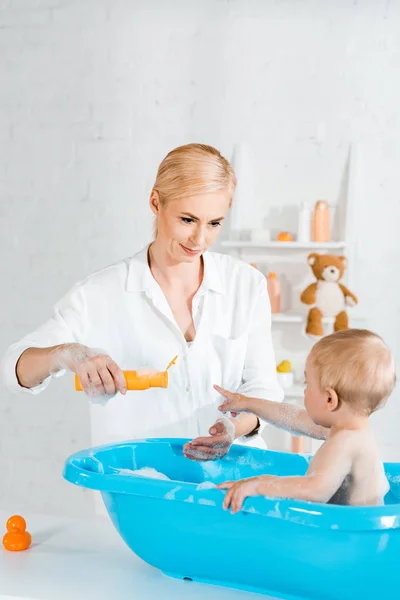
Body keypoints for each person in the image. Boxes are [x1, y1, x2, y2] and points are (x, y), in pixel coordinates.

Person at [1, 143, 283, 461]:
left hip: (234, 483)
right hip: (141, 485)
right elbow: (13, 370)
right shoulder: (100, 294)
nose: (200, 239)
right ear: (155, 202)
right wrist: (69, 354)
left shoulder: (245, 285)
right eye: (188, 220)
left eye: (214, 223)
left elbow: (263, 389)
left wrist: (233, 427)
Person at [215, 329, 396, 512]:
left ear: (329, 400)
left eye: (307, 383)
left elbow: (315, 489)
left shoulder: (346, 441)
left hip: (351, 533)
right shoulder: (346, 427)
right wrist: (248, 403)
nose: (304, 390)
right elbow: (291, 417)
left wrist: (258, 485)